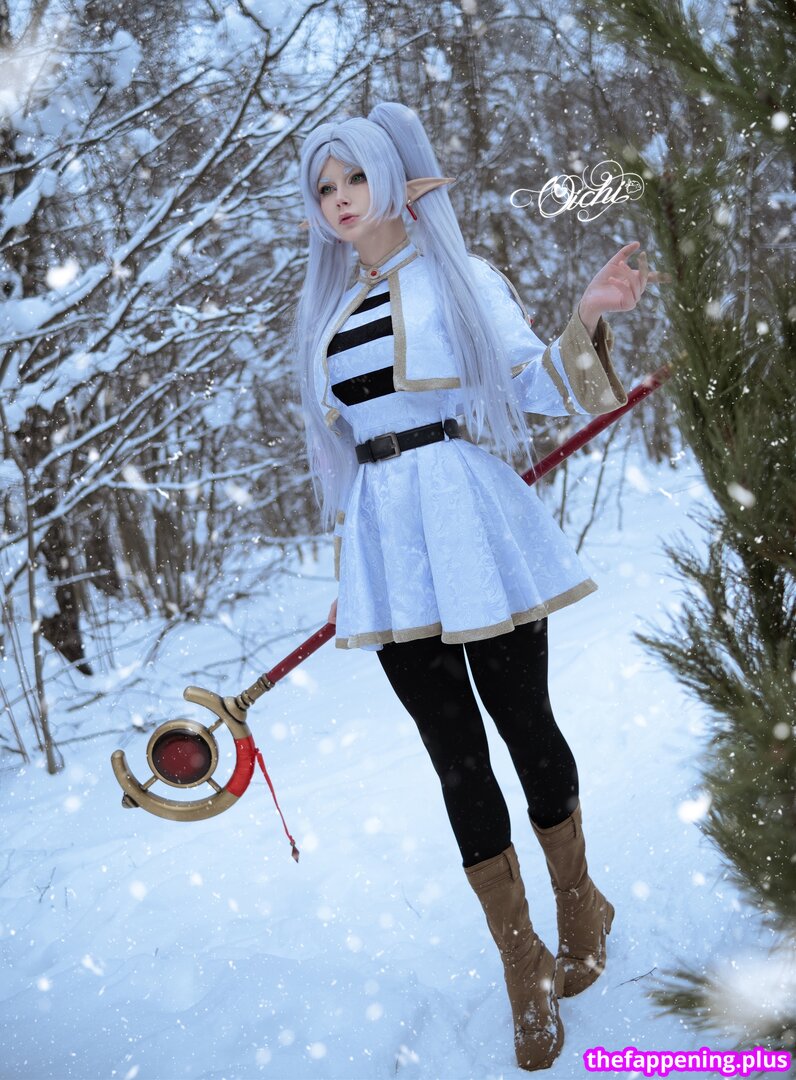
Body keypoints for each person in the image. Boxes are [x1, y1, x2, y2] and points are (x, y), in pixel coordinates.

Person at [290, 101, 664, 1072]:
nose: (340, 199)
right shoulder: (328, 313)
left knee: (524, 724)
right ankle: (521, 963)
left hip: (468, 524)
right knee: (453, 758)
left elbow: (537, 388)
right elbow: (349, 451)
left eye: (354, 178)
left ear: (391, 179)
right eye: (324, 187)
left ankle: (579, 904)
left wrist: (588, 314)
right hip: (390, 549)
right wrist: (359, 563)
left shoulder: (458, 277)